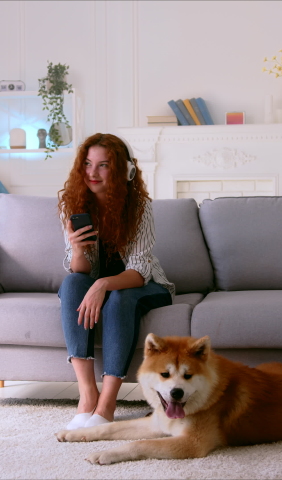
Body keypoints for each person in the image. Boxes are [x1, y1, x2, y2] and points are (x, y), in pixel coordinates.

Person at [57, 133, 175, 430]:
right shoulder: (72, 205)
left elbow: (139, 272)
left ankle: (107, 403)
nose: (92, 173)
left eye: (104, 165)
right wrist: (78, 249)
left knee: (120, 297)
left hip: (145, 286)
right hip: (100, 286)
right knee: (71, 284)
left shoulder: (139, 207)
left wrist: (102, 285)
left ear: (125, 170)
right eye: (87, 164)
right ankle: (87, 396)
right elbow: (80, 271)